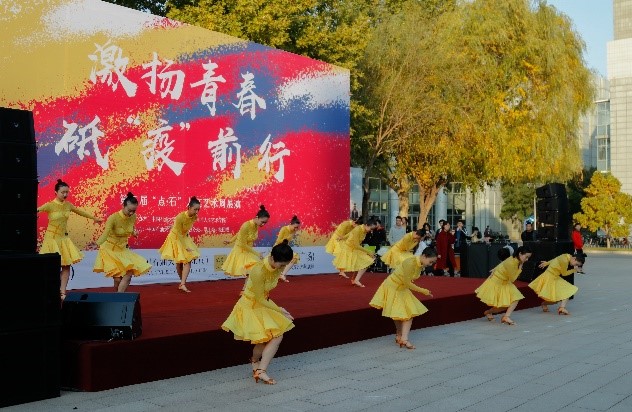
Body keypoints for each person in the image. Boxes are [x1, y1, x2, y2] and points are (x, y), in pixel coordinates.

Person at [221, 241, 295, 385]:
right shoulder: (258, 270)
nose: (283, 269)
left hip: (264, 303)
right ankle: (255, 362)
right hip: (250, 305)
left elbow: (264, 296)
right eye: (281, 265)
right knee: (263, 339)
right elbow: (259, 298)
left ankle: (260, 369)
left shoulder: (276, 265)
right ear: (272, 258)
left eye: (285, 265)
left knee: (276, 336)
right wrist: (280, 310)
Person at [37, 179, 103, 299]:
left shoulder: (68, 205)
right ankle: (50, 291)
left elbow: (80, 212)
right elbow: (36, 211)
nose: (65, 194)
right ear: (56, 192)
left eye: (67, 192)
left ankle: (62, 292)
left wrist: (94, 218)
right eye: (63, 192)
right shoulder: (50, 205)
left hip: (63, 239)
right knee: (51, 266)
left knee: (66, 265)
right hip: (51, 239)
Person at [370, 249, 437, 350]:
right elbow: (407, 283)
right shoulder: (410, 262)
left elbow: (407, 282)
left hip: (402, 288)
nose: (430, 264)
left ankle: (401, 336)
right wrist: (423, 291)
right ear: (424, 256)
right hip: (392, 286)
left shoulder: (420, 265)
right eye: (430, 261)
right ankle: (403, 338)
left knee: (406, 314)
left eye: (432, 262)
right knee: (402, 314)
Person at [93, 192, 152, 292]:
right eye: (129, 210)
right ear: (123, 206)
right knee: (118, 279)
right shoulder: (113, 218)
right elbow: (106, 233)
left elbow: (130, 227)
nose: (131, 213)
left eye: (134, 211)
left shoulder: (133, 217)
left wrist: (134, 232)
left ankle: (119, 297)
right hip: (110, 251)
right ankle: (118, 297)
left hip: (123, 250)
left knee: (128, 274)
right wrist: (97, 243)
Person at [475, 245, 533, 325]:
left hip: (505, 282)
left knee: (515, 298)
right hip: (497, 282)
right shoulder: (512, 262)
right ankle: (489, 312)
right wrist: (520, 268)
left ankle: (504, 316)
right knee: (503, 306)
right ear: (520, 254)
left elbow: (503, 263)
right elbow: (512, 279)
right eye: (526, 257)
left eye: (528, 257)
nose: (527, 259)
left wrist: (495, 268)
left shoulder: (514, 259)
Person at [158, 196, 201, 293]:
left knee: (188, 259)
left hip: (184, 237)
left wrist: (187, 244)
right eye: (195, 209)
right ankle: (182, 283)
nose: (197, 211)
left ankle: (182, 283)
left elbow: (184, 230)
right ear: (189, 207)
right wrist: (185, 247)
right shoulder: (180, 217)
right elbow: (178, 233)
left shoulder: (195, 217)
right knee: (179, 263)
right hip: (175, 238)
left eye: (198, 209)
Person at [222, 205, 270, 277]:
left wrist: (230, 241)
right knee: (253, 270)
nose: (263, 224)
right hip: (241, 251)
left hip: (248, 251)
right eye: (262, 222)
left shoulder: (256, 225)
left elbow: (239, 233)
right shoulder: (246, 225)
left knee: (252, 272)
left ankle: (248, 284)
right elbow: (242, 244)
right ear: (257, 218)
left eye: (265, 223)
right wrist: (257, 254)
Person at [332, 218, 377, 287]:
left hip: (354, 248)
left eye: (373, 229)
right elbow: (356, 245)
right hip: (350, 249)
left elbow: (351, 233)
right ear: (366, 225)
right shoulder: (358, 229)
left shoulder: (362, 229)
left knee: (362, 262)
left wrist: (343, 237)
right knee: (368, 261)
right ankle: (355, 280)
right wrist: (369, 252)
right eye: (371, 229)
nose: (371, 231)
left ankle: (354, 280)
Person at [273, 215, 301, 282]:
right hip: (278, 248)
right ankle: (279, 275)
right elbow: (278, 241)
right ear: (291, 224)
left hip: (285, 248)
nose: (296, 229)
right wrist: (289, 237)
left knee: (295, 257)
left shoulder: (293, 231)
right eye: (295, 227)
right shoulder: (284, 229)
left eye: (297, 227)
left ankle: (282, 275)